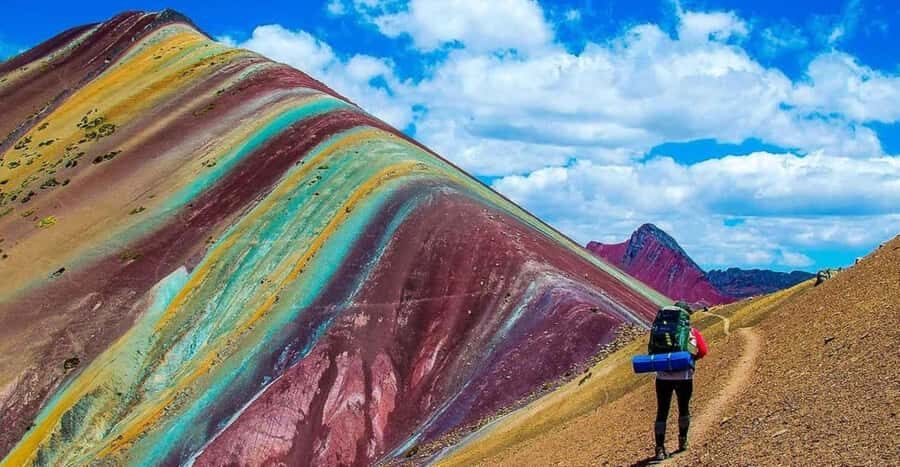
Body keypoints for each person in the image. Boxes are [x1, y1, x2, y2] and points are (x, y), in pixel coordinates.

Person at [653, 301, 708, 461]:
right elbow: (703, 351)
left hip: (662, 377)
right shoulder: (691, 332)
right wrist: (689, 359)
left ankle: (659, 448)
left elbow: (653, 350)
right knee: (683, 408)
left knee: (662, 411)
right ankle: (682, 441)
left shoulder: (661, 330)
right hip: (684, 377)